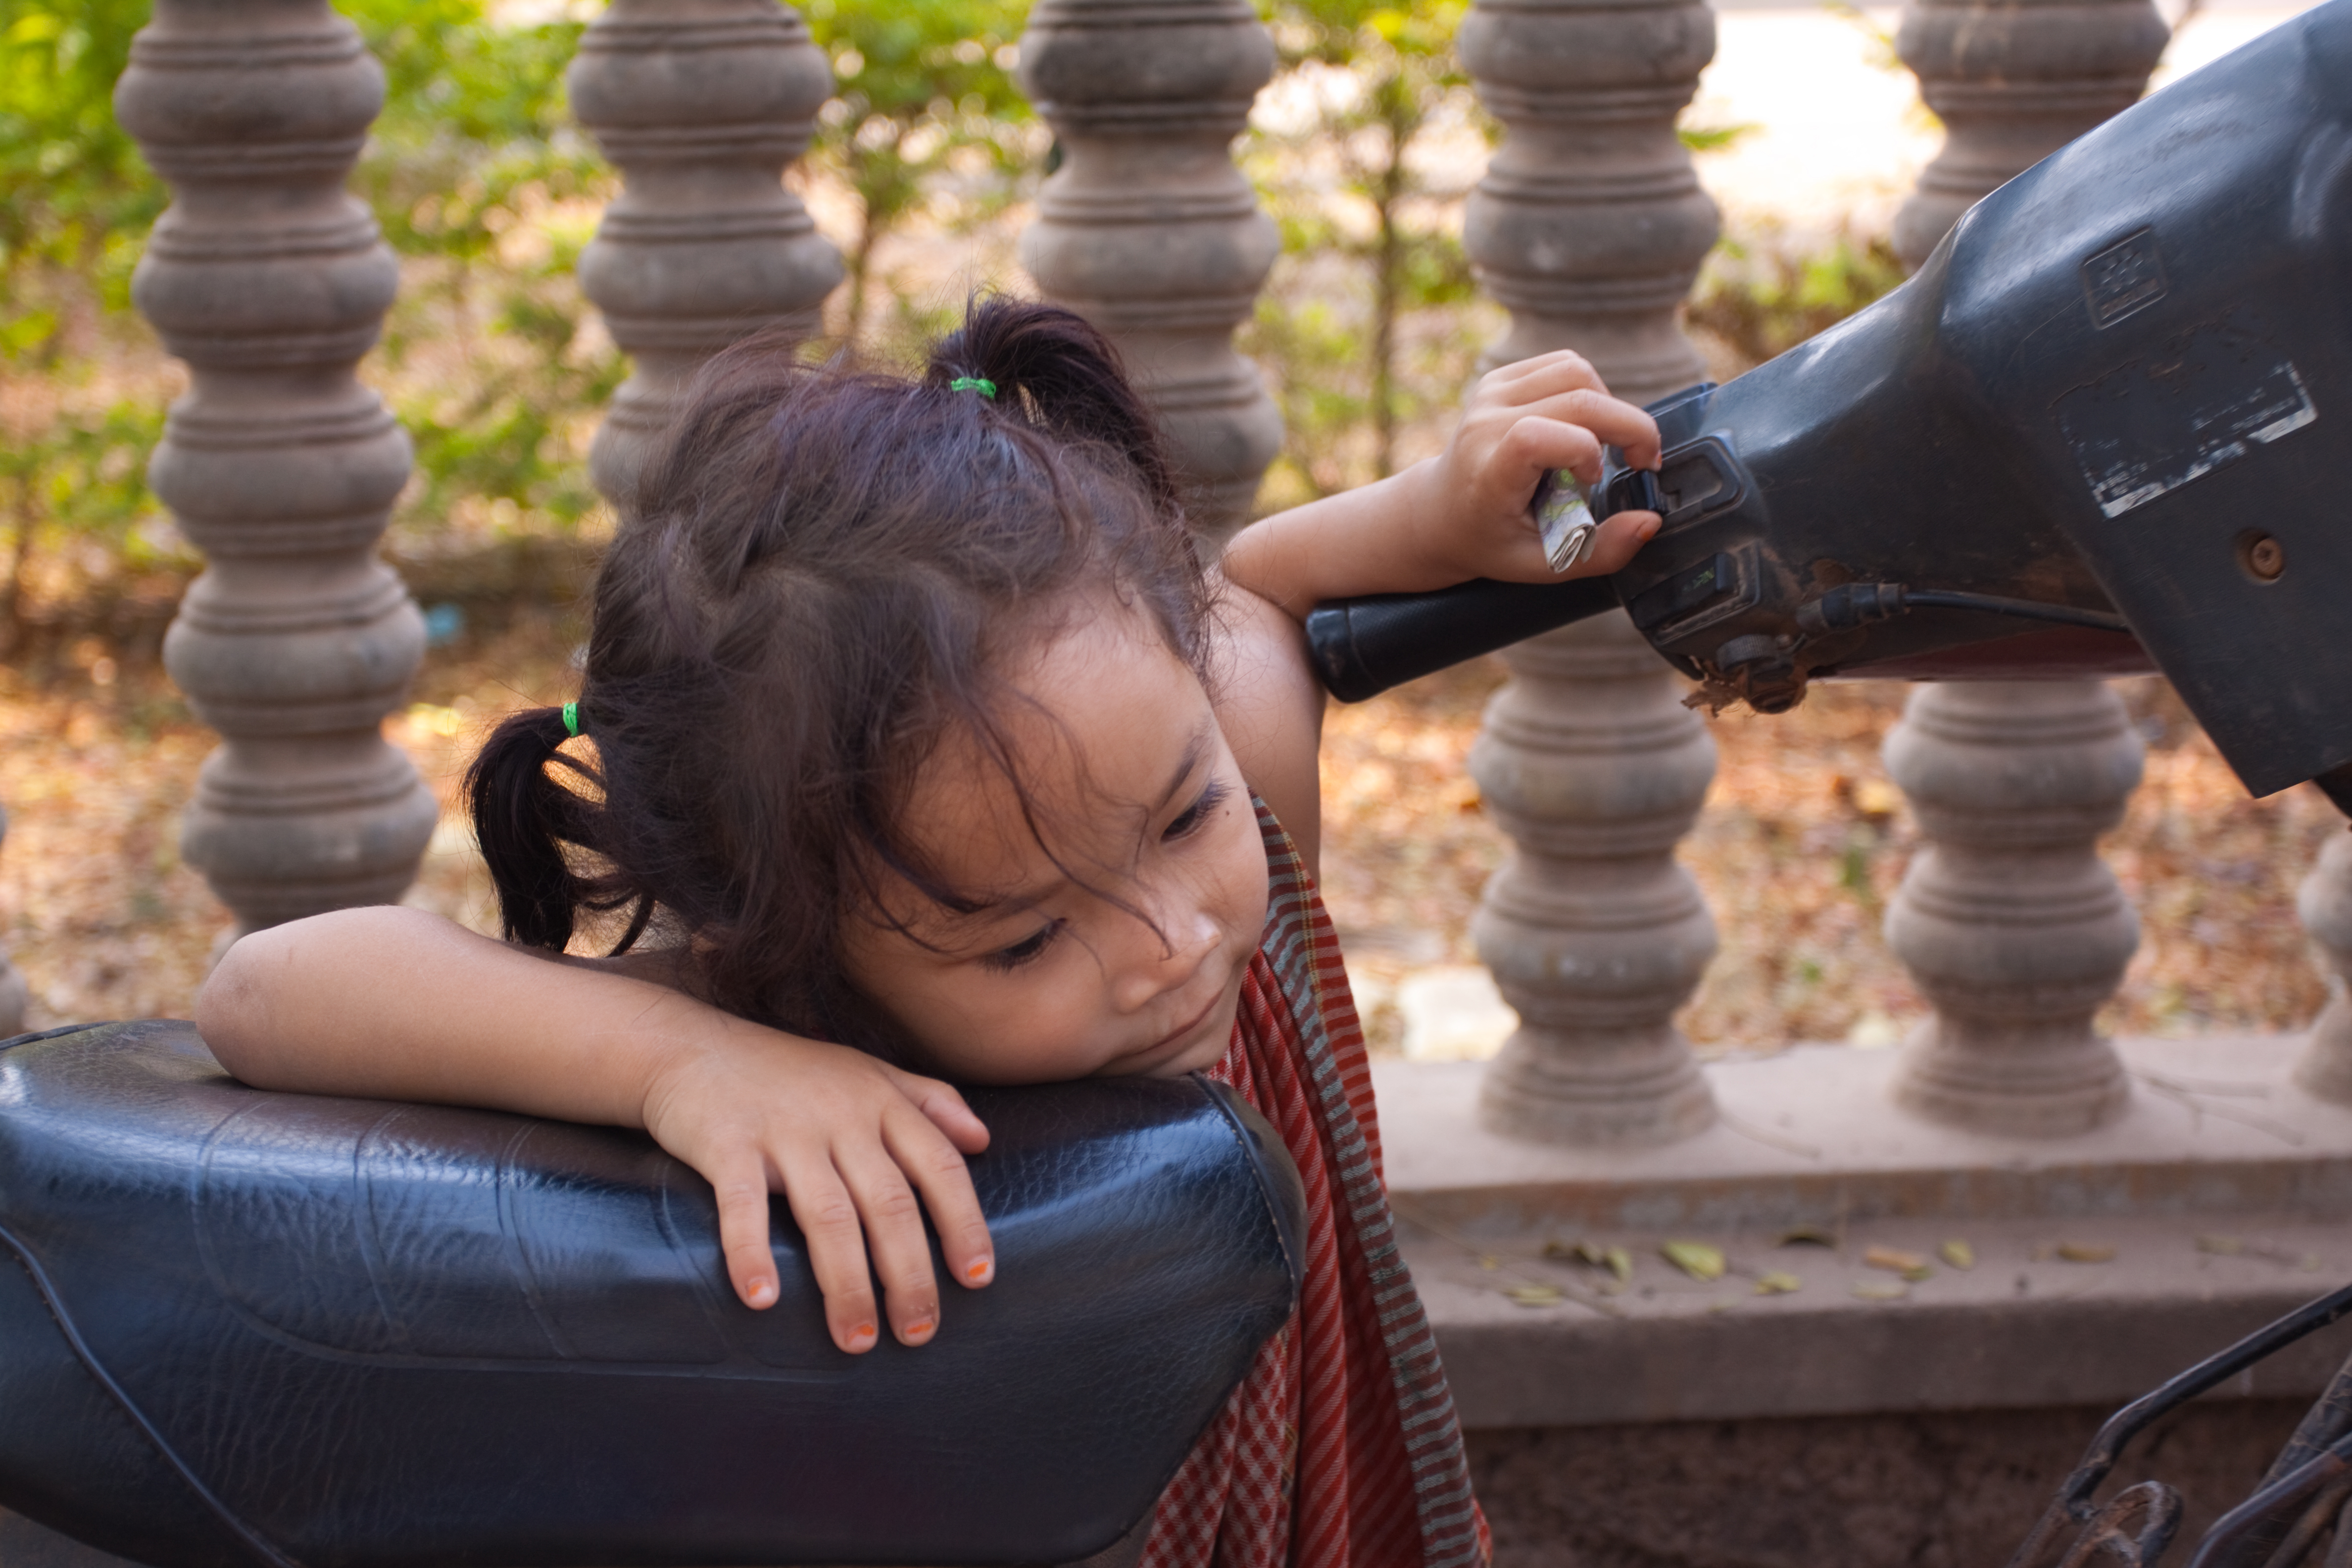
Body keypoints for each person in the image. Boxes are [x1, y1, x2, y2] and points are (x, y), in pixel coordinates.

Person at [195, 297, 1662, 1568]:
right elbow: (267, 988)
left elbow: (1254, 599)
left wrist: (1426, 517)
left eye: (1182, 817)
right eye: (1023, 943)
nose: (1169, 943)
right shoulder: (779, 1030)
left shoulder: (1229, 779)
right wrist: (679, 1064)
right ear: (784, 949)